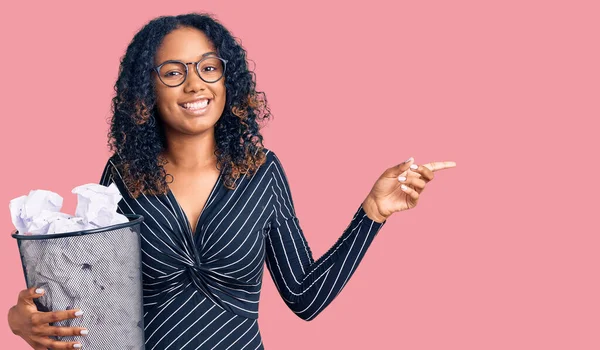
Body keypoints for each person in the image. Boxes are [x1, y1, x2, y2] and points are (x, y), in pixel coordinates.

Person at [7, 13, 456, 349]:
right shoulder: (123, 176)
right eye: (172, 72)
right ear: (147, 90)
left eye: (208, 67)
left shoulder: (262, 173)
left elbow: (305, 297)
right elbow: (95, 302)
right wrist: (19, 319)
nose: (194, 84)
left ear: (226, 78)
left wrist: (373, 213)